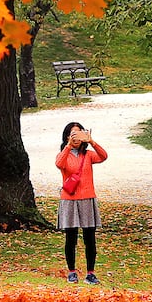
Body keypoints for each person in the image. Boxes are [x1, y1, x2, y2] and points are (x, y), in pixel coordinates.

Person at [56, 121, 107, 285]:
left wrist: (91, 141)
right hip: (69, 200)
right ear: (67, 136)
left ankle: (90, 273)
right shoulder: (64, 154)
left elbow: (104, 156)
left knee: (89, 238)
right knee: (71, 238)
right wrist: (68, 146)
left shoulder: (88, 154)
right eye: (73, 134)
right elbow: (59, 164)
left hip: (87, 198)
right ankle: (71, 271)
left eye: (79, 134)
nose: (76, 137)